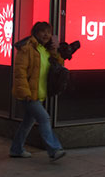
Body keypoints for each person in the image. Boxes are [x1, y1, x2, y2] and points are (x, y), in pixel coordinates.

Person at [9, 21, 66, 160]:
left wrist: (54, 51)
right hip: (29, 95)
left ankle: (16, 149)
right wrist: (25, 93)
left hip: (39, 94)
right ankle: (54, 149)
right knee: (44, 118)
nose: (46, 34)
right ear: (35, 33)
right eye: (43, 31)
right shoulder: (27, 48)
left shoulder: (45, 50)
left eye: (48, 32)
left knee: (27, 123)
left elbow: (59, 65)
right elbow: (20, 72)